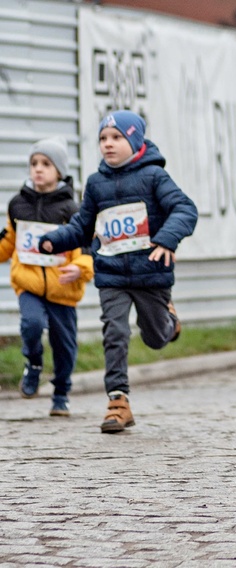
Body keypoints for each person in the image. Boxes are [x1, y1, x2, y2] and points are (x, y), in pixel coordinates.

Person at [39, 110, 198, 433]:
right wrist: (52, 241)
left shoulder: (155, 177)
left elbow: (185, 209)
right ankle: (118, 401)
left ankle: (168, 321)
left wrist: (167, 239)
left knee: (155, 339)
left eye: (116, 138)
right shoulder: (96, 184)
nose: (108, 144)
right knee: (115, 332)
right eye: (102, 139)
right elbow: (82, 226)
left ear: (135, 140)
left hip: (150, 271)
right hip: (111, 274)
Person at [1, 137, 94, 416]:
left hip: (63, 287)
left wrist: (80, 267)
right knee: (31, 324)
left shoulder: (72, 209)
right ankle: (34, 364)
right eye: (33, 163)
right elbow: (9, 241)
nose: (38, 169)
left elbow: (85, 245)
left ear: (60, 171)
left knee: (64, 346)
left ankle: (61, 393)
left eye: (45, 164)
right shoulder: (18, 204)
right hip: (28, 283)